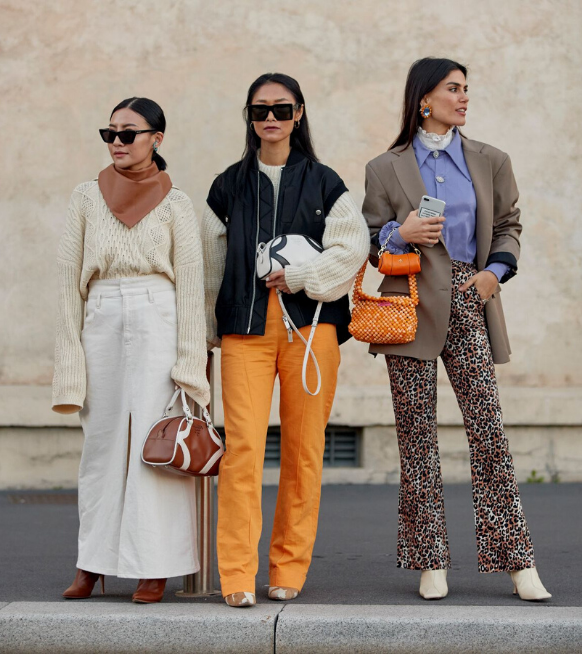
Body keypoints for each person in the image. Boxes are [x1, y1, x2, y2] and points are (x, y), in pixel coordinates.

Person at [362, 58, 551, 601]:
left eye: (467, 89)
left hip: (470, 297)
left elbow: (510, 225)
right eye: (453, 89)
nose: (464, 98)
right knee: (416, 437)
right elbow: (372, 240)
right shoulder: (384, 167)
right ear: (425, 97)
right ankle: (431, 561)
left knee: (488, 431)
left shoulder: (491, 160)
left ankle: (518, 560)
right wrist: (401, 232)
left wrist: (495, 273)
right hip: (410, 303)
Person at [203, 72, 369, 607]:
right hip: (245, 331)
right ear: (249, 120)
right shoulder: (227, 185)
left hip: (312, 329)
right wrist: (202, 334)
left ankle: (288, 569)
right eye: (259, 110)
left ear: (299, 114)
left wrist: (301, 277)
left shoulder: (325, 182)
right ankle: (234, 573)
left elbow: (352, 249)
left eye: (281, 108)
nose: (270, 118)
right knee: (244, 450)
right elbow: (209, 266)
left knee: (303, 452)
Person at [52, 97, 209, 603]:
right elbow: (65, 283)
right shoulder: (85, 197)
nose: (117, 143)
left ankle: (154, 564)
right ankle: (91, 562)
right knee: (100, 445)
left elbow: (190, 283)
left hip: (156, 312)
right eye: (110, 134)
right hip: (101, 311)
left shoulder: (177, 202)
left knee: (153, 442)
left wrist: (190, 364)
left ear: (156, 139)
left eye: (128, 133)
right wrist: (69, 361)